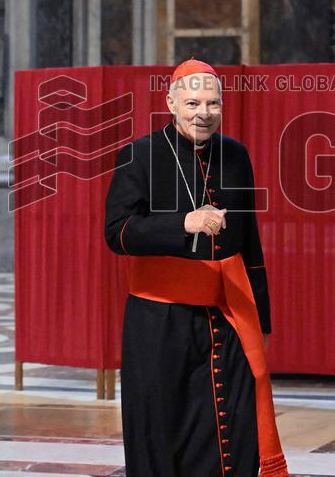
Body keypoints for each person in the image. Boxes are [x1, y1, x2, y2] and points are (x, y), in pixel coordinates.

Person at [104, 59, 287, 476]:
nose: (203, 113)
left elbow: (250, 243)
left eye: (212, 103)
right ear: (170, 102)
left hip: (228, 315)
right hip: (161, 320)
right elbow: (117, 233)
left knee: (235, 425)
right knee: (166, 428)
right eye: (192, 103)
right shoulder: (140, 155)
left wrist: (261, 319)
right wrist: (181, 223)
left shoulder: (235, 155)